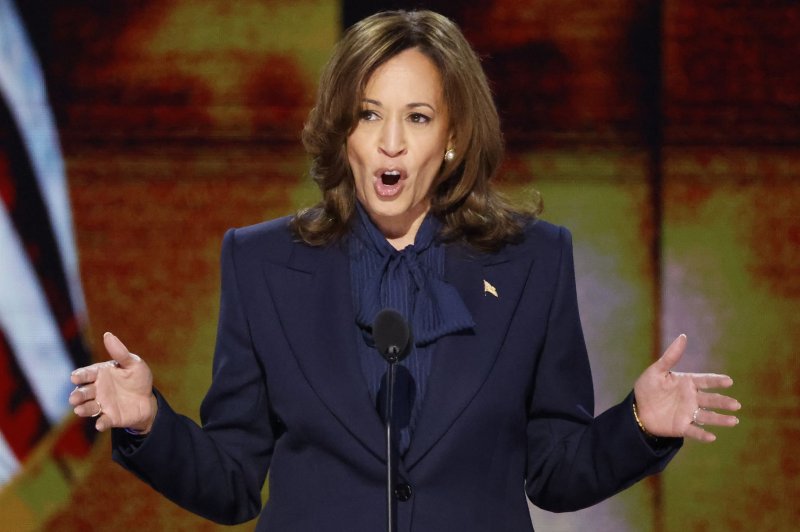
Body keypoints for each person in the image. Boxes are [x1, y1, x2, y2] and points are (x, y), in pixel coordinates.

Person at [68, 10, 740, 532]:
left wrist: (639, 426)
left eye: (417, 117)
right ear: (343, 132)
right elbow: (234, 481)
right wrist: (148, 424)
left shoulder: (533, 261)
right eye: (369, 115)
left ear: (450, 139)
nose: (391, 141)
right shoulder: (263, 263)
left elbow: (555, 472)